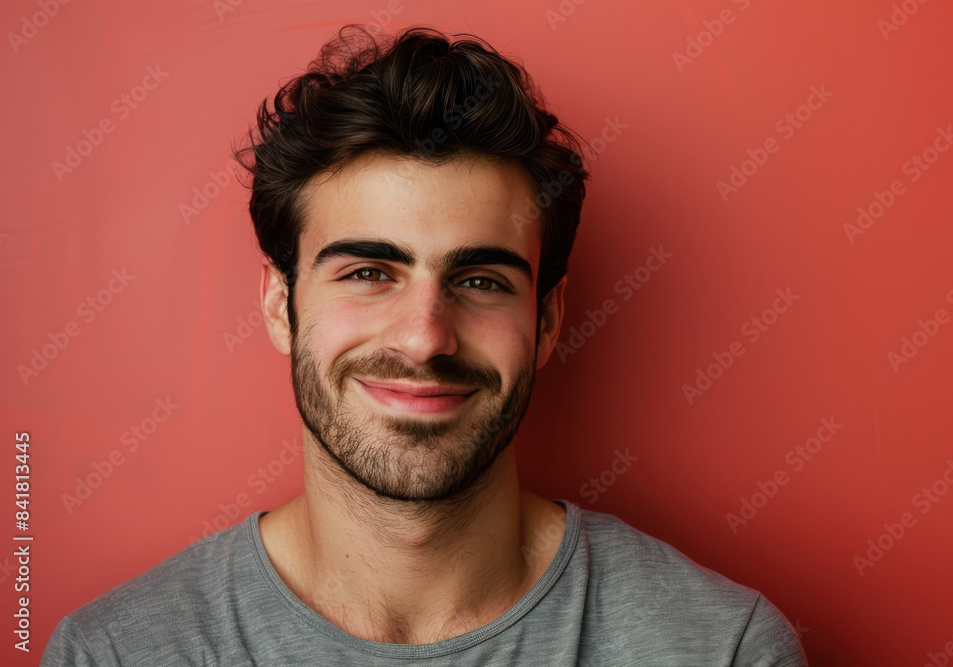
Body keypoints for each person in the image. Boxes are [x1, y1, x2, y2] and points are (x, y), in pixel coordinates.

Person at [42, 24, 808, 665]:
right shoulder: (114, 652)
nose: (425, 337)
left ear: (545, 321)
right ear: (281, 303)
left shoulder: (718, 648)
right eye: (370, 271)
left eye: (479, 280)